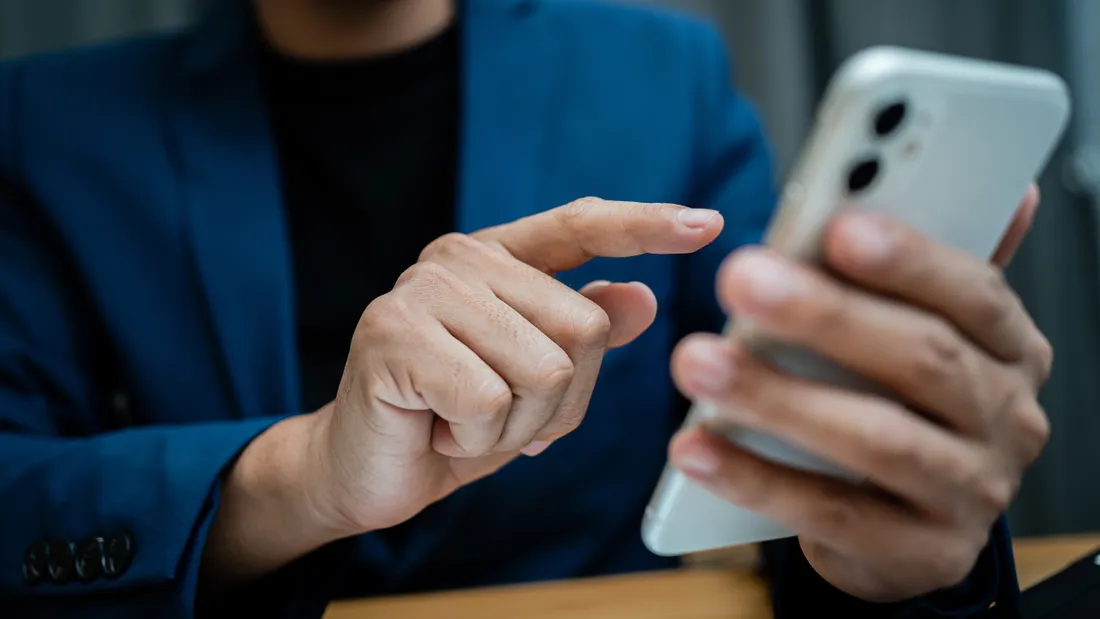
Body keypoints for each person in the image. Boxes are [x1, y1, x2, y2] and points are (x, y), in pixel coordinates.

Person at [0, 0, 1052, 617]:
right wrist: (304, 472)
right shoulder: (48, 121)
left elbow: (775, 407)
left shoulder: (655, 69)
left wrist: (884, 556)